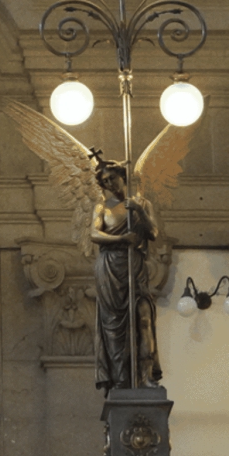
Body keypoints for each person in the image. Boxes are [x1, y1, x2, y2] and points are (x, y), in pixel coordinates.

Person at [88, 158, 161, 392]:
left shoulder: (141, 203)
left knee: (144, 319)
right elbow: (94, 234)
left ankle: (146, 376)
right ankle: (120, 380)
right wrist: (121, 239)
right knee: (114, 328)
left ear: (122, 177)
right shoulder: (102, 208)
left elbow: (153, 233)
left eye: (112, 178)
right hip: (110, 268)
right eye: (104, 181)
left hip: (135, 266)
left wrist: (138, 209)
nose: (109, 184)